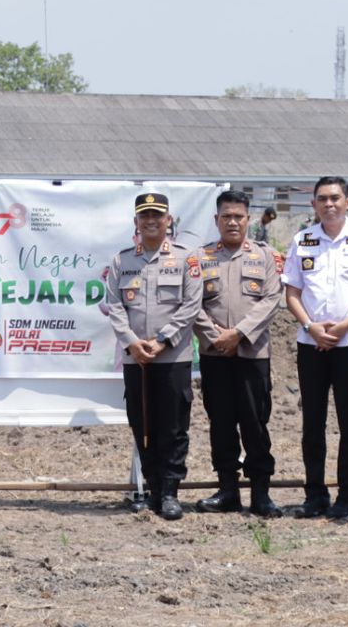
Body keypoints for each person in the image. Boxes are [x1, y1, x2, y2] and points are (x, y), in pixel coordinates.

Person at [282, 176, 348, 519]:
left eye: (336, 198)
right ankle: (314, 494)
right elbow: (291, 292)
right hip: (311, 344)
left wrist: (341, 327)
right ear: (313, 204)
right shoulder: (302, 240)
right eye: (322, 199)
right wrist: (311, 326)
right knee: (313, 422)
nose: (329, 204)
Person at [105, 191, 203, 521]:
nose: (151, 221)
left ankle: (171, 493)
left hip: (172, 357)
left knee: (173, 427)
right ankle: (152, 489)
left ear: (168, 220)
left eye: (157, 215)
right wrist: (132, 342)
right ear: (136, 222)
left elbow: (191, 305)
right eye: (145, 216)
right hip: (137, 359)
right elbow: (115, 306)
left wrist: (162, 340)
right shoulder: (122, 261)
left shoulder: (186, 258)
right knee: (142, 423)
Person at [193, 190, 282, 517]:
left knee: (256, 423)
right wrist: (217, 337)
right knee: (221, 423)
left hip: (252, 355)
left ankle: (261, 493)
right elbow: (192, 304)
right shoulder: (200, 259)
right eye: (226, 216)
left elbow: (272, 300)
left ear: (248, 219)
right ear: (216, 220)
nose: (232, 222)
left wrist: (239, 334)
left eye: (238, 217)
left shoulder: (265, 257)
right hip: (215, 355)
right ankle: (227, 489)